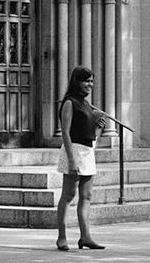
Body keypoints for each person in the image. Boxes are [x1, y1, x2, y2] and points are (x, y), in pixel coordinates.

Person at [55, 66, 106, 251]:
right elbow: (66, 133)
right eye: (86, 81)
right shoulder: (70, 102)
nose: (90, 85)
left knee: (87, 196)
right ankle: (61, 237)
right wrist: (71, 160)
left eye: (92, 81)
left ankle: (86, 237)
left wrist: (99, 127)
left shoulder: (86, 104)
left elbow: (90, 134)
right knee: (68, 195)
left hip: (87, 151)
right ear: (77, 81)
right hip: (74, 151)